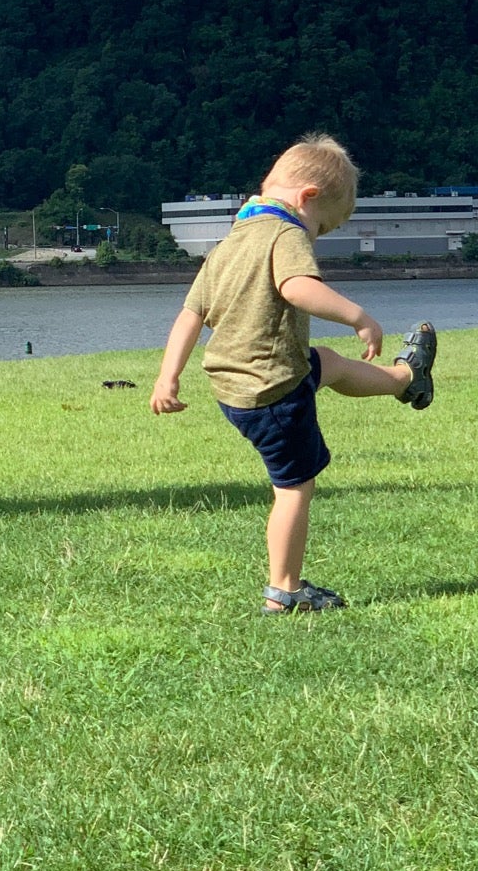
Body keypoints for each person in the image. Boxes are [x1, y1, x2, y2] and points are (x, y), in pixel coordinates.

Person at [149, 134, 436, 613]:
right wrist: (359, 317)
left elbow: (190, 314)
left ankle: (406, 380)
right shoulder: (285, 235)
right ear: (307, 199)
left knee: (325, 362)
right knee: (294, 488)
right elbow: (298, 286)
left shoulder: (230, 243)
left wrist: (167, 377)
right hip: (272, 392)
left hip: (236, 384)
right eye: (322, 227)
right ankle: (284, 590)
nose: (316, 237)